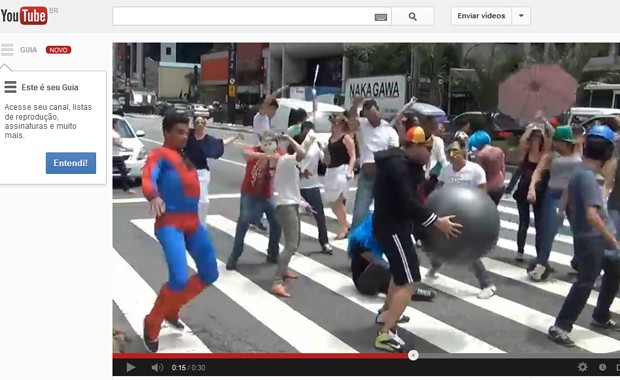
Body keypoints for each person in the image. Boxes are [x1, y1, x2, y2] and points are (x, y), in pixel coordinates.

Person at [372, 126, 462, 352]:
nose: (429, 152)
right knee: (410, 279)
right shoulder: (399, 167)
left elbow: (414, 197)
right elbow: (409, 202)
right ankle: (385, 334)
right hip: (393, 228)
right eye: (426, 147)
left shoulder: (404, 164)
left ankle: (386, 315)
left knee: (400, 273)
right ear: (413, 146)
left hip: (394, 226)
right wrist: (436, 221)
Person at [140, 114, 219, 353]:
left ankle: (172, 308)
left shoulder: (187, 154)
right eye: (179, 132)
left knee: (210, 272)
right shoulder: (159, 155)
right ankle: (153, 321)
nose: (184, 136)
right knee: (178, 278)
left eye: (186, 132)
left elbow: (214, 149)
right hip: (170, 224)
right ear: (166, 132)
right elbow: (148, 178)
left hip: (192, 223)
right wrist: (153, 195)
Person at [548, 125, 620, 347]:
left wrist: (564, 212)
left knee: (614, 271)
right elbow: (592, 215)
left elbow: (567, 198)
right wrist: (613, 239)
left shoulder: (580, 171)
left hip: (589, 237)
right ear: (608, 153)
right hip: (593, 239)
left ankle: (600, 315)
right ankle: (560, 326)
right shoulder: (588, 177)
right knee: (585, 283)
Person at [426, 140, 498, 299]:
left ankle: (487, 284)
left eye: (456, 150)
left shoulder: (475, 170)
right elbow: (440, 189)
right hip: (448, 215)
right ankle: (435, 267)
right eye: (450, 151)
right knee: (439, 242)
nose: (452, 154)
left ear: (463, 151)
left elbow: (482, 196)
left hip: (470, 218)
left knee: (468, 251)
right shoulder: (446, 170)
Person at [527, 125, 581, 282]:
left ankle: (579, 262)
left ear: (564, 142)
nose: (553, 142)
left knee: (578, 229)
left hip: (573, 195)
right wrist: (532, 189)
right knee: (548, 231)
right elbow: (538, 171)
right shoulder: (550, 156)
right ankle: (541, 263)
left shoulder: (578, 156)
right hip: (554, 194)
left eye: (556, 140)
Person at [348, 212, 437, 303]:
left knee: (409, 259)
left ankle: (409, 291)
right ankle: (405, 291)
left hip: (381, 280)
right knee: (381, 266)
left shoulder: (385, 233)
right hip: (363, 282)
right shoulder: (363, 240)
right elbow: (375, 259)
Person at [225, 131, 282, 271]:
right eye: (265, 142)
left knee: (276, 222)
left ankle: (273, 253)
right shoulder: (255, 151)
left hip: (266, 194)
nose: (267, 145)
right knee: (244, 221)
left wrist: (273, 157)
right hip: (249, 193)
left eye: (270, 142)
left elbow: (284, 158)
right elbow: (246, 153)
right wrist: (266, 155)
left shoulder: (278, 153)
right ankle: (235, 254)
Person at [270, 133, 317, 297]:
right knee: (291, 245)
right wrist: (290, 138)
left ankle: (284, 270)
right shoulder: (287, 160)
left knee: (293, 242)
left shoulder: (289, 164)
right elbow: (302, 152)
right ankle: (277, 281)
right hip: (286, 207)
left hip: (290, 204)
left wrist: (304, 204)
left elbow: (292, 190)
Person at [348, 97, 400, 230]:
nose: (371, 118)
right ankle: (356, 242)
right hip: (367, 175)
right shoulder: (362, 126)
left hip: (384, 175)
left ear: (378, 111)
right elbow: (351, 120)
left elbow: (394, 151)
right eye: (368, 115)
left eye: (373, 114)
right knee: (360, 210)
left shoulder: (389, 130)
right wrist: (355, 104)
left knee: (385, 210)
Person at [183, 116, 238, 224]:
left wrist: (233, 138)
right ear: (194, 124)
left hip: (202, 172)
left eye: (202, 123)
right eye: (197, 122)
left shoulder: (208, 140)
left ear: (205, 125)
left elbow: (221, 144)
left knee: (203, 200)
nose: (200, 125)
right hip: (187, 171)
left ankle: (201, 225)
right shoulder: (188, 136)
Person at [251, 86, 287, 232]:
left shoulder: (266, 121)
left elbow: (266, 136)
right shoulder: (260, 117)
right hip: (260, 155)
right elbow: (265, 106)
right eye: (274, 110)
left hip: (266, 155)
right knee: (262, 187)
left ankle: (257, 217)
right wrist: (274, 95)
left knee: (264, 187)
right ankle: (257, 217)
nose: (274, 114)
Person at [511, 123, 549, 262]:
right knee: (524, 222)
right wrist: (530, 128)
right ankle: (520, 250)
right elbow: (522, 142)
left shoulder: (545, 154)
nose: (536, 141)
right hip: (523, 190)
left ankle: (540, 253)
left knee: (540, 223)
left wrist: (545, 123)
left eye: (538, 138)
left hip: (539, 190)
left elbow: (551, 135)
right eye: (534, 138)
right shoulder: (525, 152)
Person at [294, 121, 332, 254]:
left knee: (319, 215)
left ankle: (325, 242)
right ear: (303, 130)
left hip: (312, 186)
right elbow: (289, 161)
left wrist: (326, 151)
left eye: (311, 131)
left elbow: (327, 162)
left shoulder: (316, 145)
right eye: (307, 130)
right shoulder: (296, 143)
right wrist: (300, 172)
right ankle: (293, 245)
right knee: (294, 218)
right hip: (296, 186)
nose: (309, 133)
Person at [323, 116, 357, 239]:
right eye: (333, 124)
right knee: (332, 201)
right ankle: (347, 225)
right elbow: (328, 160)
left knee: (338, 201)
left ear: (342, 126)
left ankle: (343, 228)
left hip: (342, 170)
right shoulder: (330, 139)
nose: (333, 127)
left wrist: (350, 170)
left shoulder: (346, 138)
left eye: (335, 124)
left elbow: (353, 156)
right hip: (331, 170)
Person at [469, 130, 506, 205]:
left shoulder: (481, 155)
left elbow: (481, 174)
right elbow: (503, 168)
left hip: (488, 188)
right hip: (500, 185)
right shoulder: (499, 151)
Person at [112, 119, 135, 194]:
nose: (118, 126)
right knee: (124, 171)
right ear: (114, 125)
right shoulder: (113, 134)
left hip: (115, 154)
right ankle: (126, 188)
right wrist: (125, 148)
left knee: (123, 171)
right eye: (117, 124)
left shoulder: (113, 133)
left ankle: (126, 187)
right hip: (115, 156)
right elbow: (115, 142)